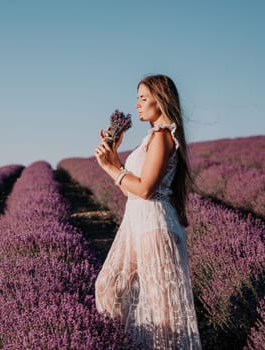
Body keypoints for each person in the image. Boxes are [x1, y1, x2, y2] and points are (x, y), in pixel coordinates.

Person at [94, 74, 202, 349]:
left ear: (161, 100)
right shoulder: (150, 138)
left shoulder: (164, 137)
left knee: (166, 315)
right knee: (108, 288)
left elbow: (145, 190)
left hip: (155, 227)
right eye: (138, 98)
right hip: (138, 223)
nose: (137, 104)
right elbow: (133, 191)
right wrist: (114, 159)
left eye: (143, 98)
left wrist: (111, 167)